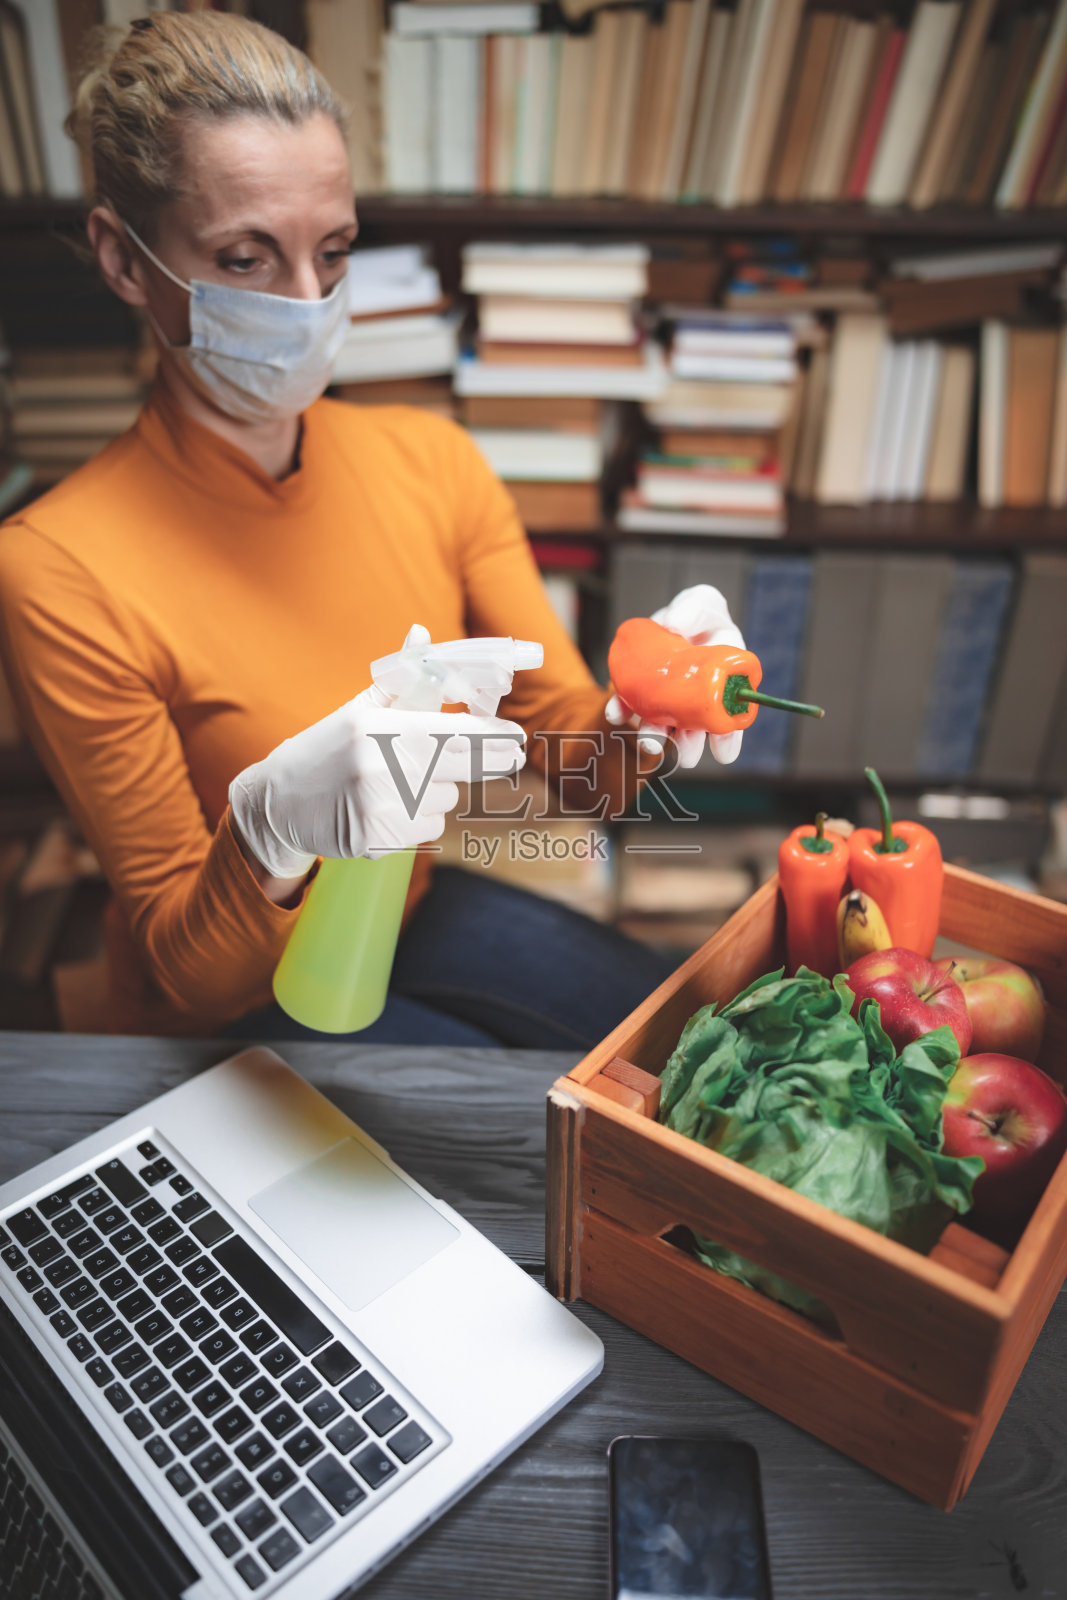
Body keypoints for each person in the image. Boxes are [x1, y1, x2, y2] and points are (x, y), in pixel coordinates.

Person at [0, 12, 746, 1049]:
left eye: (334, 251)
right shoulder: (56, 567)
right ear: (124, 261)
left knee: (698, 1042)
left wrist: (643, 718)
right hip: (237, 995)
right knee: (511, 1128)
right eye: (247, 258)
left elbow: (576, 774)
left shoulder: (428, 461)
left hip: (405, 902)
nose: (309, 303)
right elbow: (199, 976)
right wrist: (269, 831)